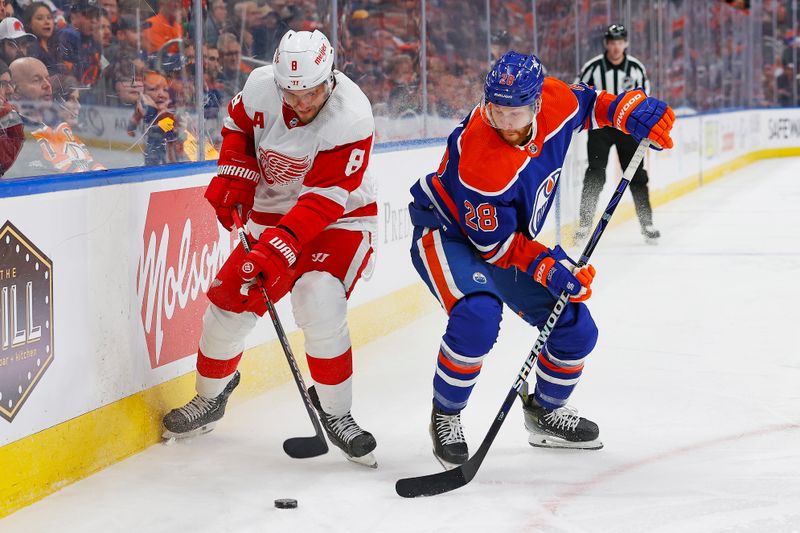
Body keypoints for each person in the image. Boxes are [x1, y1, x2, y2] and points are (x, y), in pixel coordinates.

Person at [408, 51, 674, 467]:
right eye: (497, 111)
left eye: (516, 113)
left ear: (536, 104)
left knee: (575, 328)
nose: (507, 124)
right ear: (486, 104)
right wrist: (548, 265)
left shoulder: (554, 100)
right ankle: (446, 413)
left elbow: (587, 103)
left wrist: (626, 110)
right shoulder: (480, 159)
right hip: (448, 234)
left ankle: (545, 412)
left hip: (505, 238)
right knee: (478, 317)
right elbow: (495, 250)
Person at [162, 30, 380, 467]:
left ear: (331, 78)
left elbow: (322, 201)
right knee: (228, 307)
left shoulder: (352, 115)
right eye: (292, 93)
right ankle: (210, 398)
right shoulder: (261, 84)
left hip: (339, 218)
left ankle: (338, 413)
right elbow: (238, 127)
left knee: (317, 298)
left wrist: (278, 247)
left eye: (313, 92)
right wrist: (234, 178)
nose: (302, 103)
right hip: (271, 215)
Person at [575, 24, 660, 243]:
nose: (616, 47)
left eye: (620, 42)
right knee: (595, 173)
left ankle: (647, 223)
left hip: (627, 130)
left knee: (637, 175)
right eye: (612, 43)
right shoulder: (592, 67)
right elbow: (578, 93)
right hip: (600, 128)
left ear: (626, 43)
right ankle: (584, 225)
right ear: (607, 44)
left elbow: (645, 100)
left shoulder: (636, 68)